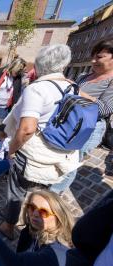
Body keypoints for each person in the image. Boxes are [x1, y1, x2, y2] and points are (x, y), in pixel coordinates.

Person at [0, 44, 81, 240]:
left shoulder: (37, 89)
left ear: (39, 65)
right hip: (59, 155)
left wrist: (11, 148)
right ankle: (39, 231)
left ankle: (9, 226)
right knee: (44, 196)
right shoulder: (73, 87)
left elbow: (27, 128)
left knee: (16, 192)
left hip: (33, 156)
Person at [50, 40, 113, 194]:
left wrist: (77, 91)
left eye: (99, 57)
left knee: (71, 163)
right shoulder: (85, 76)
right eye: (93, 56)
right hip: (69, 123)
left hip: (88, 129)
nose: (93, 61)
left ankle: (53, 195)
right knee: (60, 157)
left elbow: (105, 109)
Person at [0, 190, 74, 266]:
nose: (35, 214)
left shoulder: (56, 252)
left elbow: (14, 262)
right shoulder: (32, 231)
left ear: (59, 217)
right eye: (32, 207)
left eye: (43, 212)